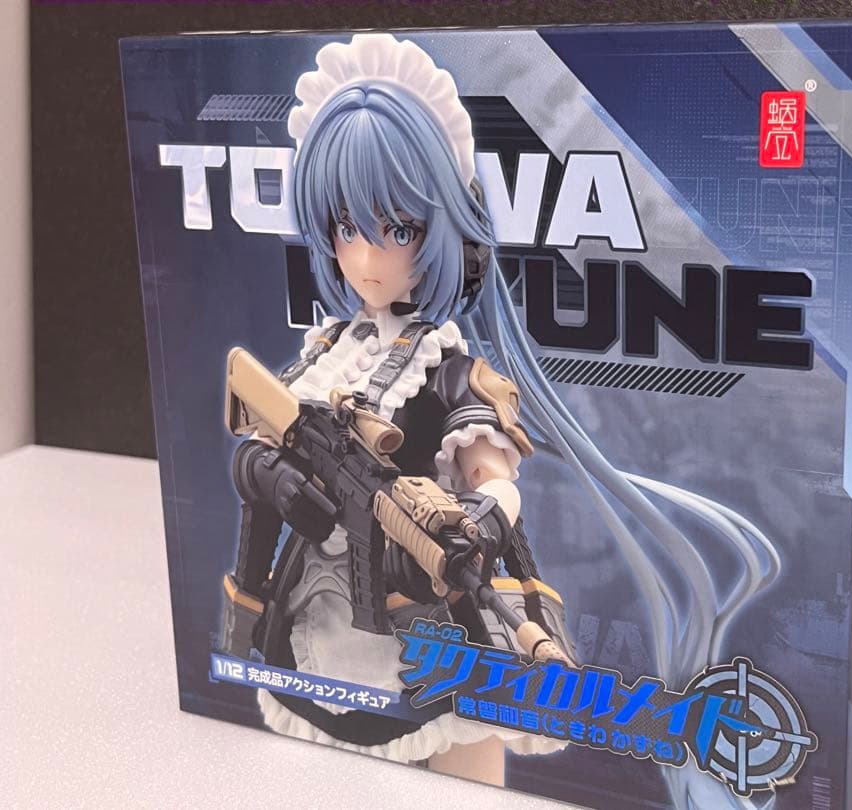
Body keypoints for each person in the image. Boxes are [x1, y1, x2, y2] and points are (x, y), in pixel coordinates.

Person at [225, 33, 780, 800]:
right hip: (314, 611)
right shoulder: (326, 350)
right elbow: (260, 438)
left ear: (445, 227)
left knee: (466, 768)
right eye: (348, 228)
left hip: (421, 607)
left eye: (399, 229)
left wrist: (478, 522)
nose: (368, 259)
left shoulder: (450, 368)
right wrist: (270, 476)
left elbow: (495, 478)